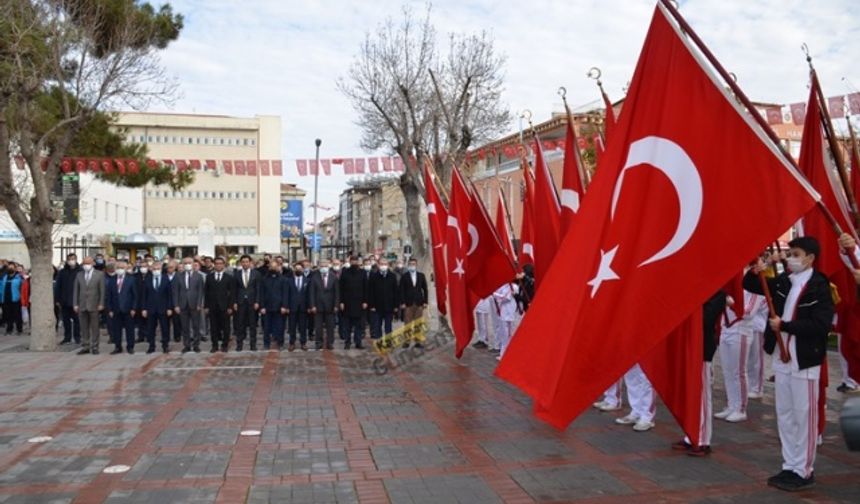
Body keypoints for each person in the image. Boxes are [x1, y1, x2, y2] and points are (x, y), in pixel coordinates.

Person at [744, 236, 834, 492]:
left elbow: (821, 325)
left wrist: (785, 326)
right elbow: (751, 284)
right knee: (784, 414)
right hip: (782, 358)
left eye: (796, 253)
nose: (791, 258)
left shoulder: (818, 285)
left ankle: (804, 470)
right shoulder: (785, 281)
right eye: (790, 253)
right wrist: (758, 269)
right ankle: (789, 464)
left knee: (803, 415)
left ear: (810, 258)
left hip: (804, 359)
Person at [673, 290, 727, 457]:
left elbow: (705, 319)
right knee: (690, 394)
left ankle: (702, 439)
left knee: (702, 395)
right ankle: (691, 435)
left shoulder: (717, 294)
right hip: (689, 345)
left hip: (702, 348)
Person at [72, 257, 104, 354]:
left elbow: (102, 290)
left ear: (93, 263)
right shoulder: (79, 275)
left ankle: (95, 346)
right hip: (82, 305)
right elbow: (76, 290)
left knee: (95, 327)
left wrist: (101, 303)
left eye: (88, 263)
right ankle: (85, 346)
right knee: (83, 327)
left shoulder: (99, 274)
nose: (86, 265)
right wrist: (75, 304)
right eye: (84, 263)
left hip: (94, 304)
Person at [106, 261, 139, 355]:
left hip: (128, 309)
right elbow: (109, 296)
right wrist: (110, 309)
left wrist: (133, 308)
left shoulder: (131, 279)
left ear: (125, 268)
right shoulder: (112, 280)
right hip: (116, 309)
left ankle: (130, 347)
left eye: (122, 267)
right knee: (116, 329)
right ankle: (117, 347)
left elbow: (135, 295)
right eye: (118, 267)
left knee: (130, 329)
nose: (120, 269)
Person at [173, 257, 205, 353]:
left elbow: (201, 291)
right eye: (185, 263)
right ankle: (186, 345)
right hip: (182, 304)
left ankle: (196, 345)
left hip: (195, 304)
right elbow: (175, 292)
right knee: (185, 327)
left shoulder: (198, 276)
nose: (187, 264)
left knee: (196, 326)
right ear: (182, 264)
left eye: (189, 263)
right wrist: (176, 305)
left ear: (193, 264)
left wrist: (199, 303)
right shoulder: (178, 276)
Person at [141, 261, 173, 354]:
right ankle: (151, 346)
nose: (156, 271)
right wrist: (144, 308)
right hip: (150, 308)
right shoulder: (147, 280)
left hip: (163, 308)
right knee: (150, 328)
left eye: (158, 269)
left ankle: (165, 345)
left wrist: (169, 308)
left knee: (165, 328)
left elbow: (169, 295)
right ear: (151, 270)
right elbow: (144, 295)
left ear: (161, 269)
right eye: (154, 269)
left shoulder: (166, 279)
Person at [205, 257, 235, 352]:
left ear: (223, 265)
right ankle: (214, 345)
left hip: (225, 306)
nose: (218, 265)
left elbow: (232, 293)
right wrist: (206, 306)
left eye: (220, 263)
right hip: (212, 306)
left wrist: (230, 306)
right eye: (216, 263)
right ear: (214, 264)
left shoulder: (229, 277)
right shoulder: (209, 277)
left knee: (226, 327)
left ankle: (224, 345)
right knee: (213, 327)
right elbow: (206, 292)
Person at [309, 259, 339, 350]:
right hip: (318, 306)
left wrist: (336, 305)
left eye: (325, 266)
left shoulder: (333, 277)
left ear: (329, 266)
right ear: (319, 267)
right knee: (318, 327)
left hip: (330, 306)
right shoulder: (314, 277)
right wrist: (312, 305)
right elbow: (311, 292)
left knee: (330, 327)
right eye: (322, 266)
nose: (324, 268)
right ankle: (319, 342)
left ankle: (330, 343)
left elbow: (337, 293)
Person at [233, 254, 261, 351]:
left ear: (250, 263)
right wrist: (235, 302)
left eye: (247, 262)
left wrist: (257, 301)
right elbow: (234, 290)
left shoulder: (256, 274)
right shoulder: (236, 274)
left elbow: (258, 288)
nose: (245, 263)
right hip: (240, 302)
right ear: (241, 263)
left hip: (252, 302)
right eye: (243, 262)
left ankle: (253, 345)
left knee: (253, 325)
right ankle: (239, 344)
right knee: (240, 324)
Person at [339, 256, 367, 350]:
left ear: (358, 262)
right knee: (347, 325)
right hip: (347, 302)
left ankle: (358, 342)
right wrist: (341, 301)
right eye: (353, 261)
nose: (354, 263)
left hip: (359, 302)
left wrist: (365, 301)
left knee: (359, 325)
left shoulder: (362, 272)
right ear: (350, 262)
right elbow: (341, 288)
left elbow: (365, 287)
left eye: (356, 261)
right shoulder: (345, 272)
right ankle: (347, 342)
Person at [260, 261, 289, 350]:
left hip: (279, 307)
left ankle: (280, 343)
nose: (273, 269)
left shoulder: (283, 279)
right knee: (267, 327)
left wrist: (284, 306)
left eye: (275, 267)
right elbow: (261, 294)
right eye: (271, 267)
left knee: (280, 327)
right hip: (267, 307)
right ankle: (266, 344)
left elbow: (285, 294)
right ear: (269, 268)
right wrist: (262, 307)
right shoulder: (264, 279)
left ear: (278, 267)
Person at [399, 258, 428, 347]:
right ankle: (407, 342)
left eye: (414, 264)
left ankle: (418, 341)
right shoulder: (404, 276)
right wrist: (402, 302)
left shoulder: (421, 275)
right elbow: (401, 290)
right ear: (408, 265)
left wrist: (425, 302)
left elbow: (425, 289)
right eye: (411, 264)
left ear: (416, 265)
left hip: (419, 303)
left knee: (418, 323)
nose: (412, 265)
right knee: (407, 323)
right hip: (408, 303)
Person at [368, 258, 399, 340]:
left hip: (389, 306)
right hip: (377, 306)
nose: (383, 266)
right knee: (377, 325)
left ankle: (388, 341)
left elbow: (396, 292)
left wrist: (396, 306)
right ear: (378, 265)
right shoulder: (374, 276)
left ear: (388, 265)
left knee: (388, 326)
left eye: (385, 264)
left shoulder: (392, 276)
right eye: (381, 264)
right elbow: (370, 292)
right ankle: (379, 341)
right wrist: (372, 305)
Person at [55, 253, 81, 344]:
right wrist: (57, 299)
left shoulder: (80, 271)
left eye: (73, 259)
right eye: (70, 259)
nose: (71, 261)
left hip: (76, 301)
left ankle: (77, 337)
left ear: (76, 259)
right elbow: (58, 286)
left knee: (77, 320)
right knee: (66, 320)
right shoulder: (62, 272)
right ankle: (67, 337)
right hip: (64, 300)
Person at [287, 261, 310, 351]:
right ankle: (292, 343)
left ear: (303, 269)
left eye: (300, 269)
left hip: (303, 307)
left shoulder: (307, 281)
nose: (298, 270)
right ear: (294, 270)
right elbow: (286, 294)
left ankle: (303, 343)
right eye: (296, 269)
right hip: (292, 307)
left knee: (303, 327)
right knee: (292, 326)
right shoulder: (289, 281)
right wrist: (286, 306)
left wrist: (309, 306)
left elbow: (309, 295)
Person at [0, 262, 24, 335]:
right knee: (8, 315)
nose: (10, 268)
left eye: (12, 267)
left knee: (17, 315)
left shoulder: (19, 278)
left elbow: (22, 288)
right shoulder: (4, 277)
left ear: (15, 269)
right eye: (9, 267)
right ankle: (9, 329)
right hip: (6, 299)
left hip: (16, 299)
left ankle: (19, 329)